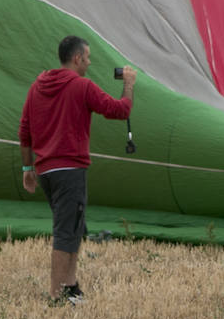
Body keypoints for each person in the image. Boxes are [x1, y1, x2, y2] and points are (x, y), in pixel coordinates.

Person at [19, 36, 136, 305]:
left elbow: (24, 130)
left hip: (46, 170)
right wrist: (128, 85)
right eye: (88, 57)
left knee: (73, 226)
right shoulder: (81, 86)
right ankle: (56, 294)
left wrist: (28, 167)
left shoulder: (37, 86)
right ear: (77, 58)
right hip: (70, 168)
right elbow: (118, 110)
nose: (90, 62)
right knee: (65, 231)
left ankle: (70, 286)